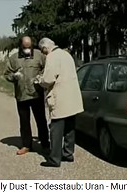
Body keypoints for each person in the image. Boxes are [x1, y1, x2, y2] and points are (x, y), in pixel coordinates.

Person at [36, 37, 83, 167]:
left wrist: (39, 80)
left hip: (60, 98)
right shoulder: (66, 55)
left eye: (42, 51)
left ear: (45, 48)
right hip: (72, 97)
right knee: (69, 128)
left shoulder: (52, 57)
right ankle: (68, 153)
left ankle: (54, 159)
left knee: (56, 129)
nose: (43, 53)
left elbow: (48, 79)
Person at [4, 36, 50, 155]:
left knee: (41, 121)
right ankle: (26, 145)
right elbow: (7, 73)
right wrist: (14, 76)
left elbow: (47, 68)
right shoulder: (14, 58)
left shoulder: (39, 55)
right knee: (24, 122)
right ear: (21, 45)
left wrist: (41, 77)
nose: (27, 49)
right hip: (21, 95)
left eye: (29, 46)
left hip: (36, 94)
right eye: (25, 47)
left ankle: (45, 144)